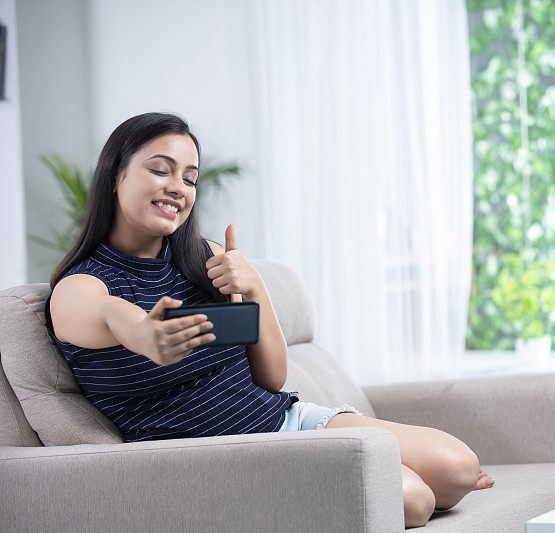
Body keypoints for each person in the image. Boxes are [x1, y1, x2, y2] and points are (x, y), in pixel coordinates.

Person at [44, 112, 494, 528]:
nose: (178, 187)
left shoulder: (204, 258)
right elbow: (109, 315)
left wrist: (256, 287)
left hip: (287, 422)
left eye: (189, 177)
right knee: (412, 500)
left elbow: (273, 378)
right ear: (115, 176)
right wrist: (145, 333)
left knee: (458, 468)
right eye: (160, 170)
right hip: (218, 460)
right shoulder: (81, 287)